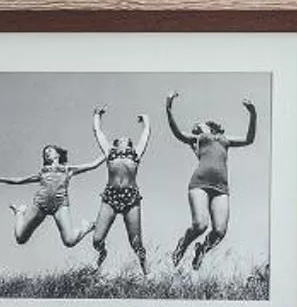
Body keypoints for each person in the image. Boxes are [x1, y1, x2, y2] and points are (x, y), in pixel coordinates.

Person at [167, 92, 258, 270]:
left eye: (198, 125)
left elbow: (249, 139)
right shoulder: (199, 139)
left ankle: (201, 250)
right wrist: (168, 108)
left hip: (221, 188)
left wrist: (252, 114)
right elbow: (177, 133)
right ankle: (182, 246)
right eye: (194, 129)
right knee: (200, 225)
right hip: (200, 184)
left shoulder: (225, 140)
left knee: (219, 231)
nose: (195, 128)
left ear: (210, 126)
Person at [0, 144, 100, 251]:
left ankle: (86, 227)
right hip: (40, 204)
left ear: (58, 155)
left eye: (50, 150)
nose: (46, 153)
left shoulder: (68, 169)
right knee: (20, 238)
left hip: (60, 205)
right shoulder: (42, 173)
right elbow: (20, 180)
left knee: (69, 241)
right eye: (45, 153)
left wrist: (106, 154)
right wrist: (0, 179)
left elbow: (93, 165)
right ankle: (19, 213)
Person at [86, 106, 151, 271]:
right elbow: (98, 133)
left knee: (136, 243)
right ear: (116, 144)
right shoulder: (110, 152)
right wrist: (96, 115)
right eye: (120, 139)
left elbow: (145, 135)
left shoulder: (135, 153)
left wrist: (146, 121)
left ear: (130, 144)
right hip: (110, 196)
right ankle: (102, 253)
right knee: (97, 240)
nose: (123, 139)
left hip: (131, 197)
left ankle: (147, 270)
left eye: (127, 139)